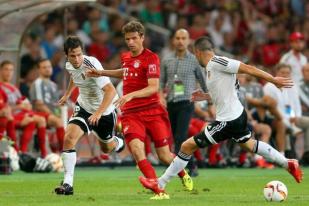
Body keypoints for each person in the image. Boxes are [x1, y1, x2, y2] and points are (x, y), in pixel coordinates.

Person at [139, 36, 303, 198]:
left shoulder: (218, 62)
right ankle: (287, 163)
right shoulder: (211, 68)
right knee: (249, 145)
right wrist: (204, 96)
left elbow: (247, 68)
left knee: (186, 146)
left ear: (198, 52)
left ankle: (159, 184)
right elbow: (224, 93)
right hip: (235, 116)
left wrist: (273, 79)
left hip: (229, 120)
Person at [86, 21, 193, 200]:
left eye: (134, 38)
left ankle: (183, 174)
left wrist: (130, 95)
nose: (130, 42)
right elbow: (125, 72)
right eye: (127, 39)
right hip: (131, 114)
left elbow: (153, 87)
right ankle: (159, 190)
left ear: (142, 38)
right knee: (136, 150)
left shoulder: (151, 58)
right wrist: (102, 73)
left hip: (153, 111)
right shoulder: (126, 57)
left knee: (164, 156)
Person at [54, 36, 124, 195]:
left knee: (106, 148)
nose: (77, 59)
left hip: (104, 111)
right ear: (67, 55)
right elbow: (75, 77)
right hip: (84, 108)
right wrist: (67, 94)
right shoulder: (68, 65)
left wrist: (99, 113)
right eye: (73, 56)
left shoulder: (91, 65)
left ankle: (119, 142)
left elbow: (111, 91)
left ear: (82, 52)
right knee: (69, 137)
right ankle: (67, 183)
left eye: (79, 54)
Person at [160, 29, 207, 176]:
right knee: (176, 136)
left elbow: (203, 82)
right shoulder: (166, 60)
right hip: (171, 102)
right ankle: (189, 165)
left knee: (180, 135)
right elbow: (161, 82)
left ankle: (187, 167)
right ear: (173, 40)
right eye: (178, 38)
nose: (180, 41)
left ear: (188, 41)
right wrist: (161, 96)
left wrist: (209, 101)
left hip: (187, 102)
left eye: (183, 38)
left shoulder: (194, 60)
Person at [0, 60, 47, 157]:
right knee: (8, 119)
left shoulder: (14, 87)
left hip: (18, 115)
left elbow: (21, 101)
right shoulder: (1, 87)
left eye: (11, 70)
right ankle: (14, 152)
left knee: (36, 120)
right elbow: (4, 110)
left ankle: (24, 153)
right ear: (1, 71)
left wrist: (26, 106)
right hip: (10, 117)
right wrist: (20, 107)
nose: (9, 72)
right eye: (6, 69)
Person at [263, 63, 309, 159]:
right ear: (276, 73)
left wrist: (296, 116)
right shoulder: (269, 86)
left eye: (287, 73)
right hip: (274, 118)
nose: (285, 75)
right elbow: (274, 109)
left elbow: (296, 104)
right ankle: (284, 154)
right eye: (282, 72)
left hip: (291, 117)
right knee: (283, 124)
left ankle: (307, 153)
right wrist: (289, 120)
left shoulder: (293, 86)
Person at [29, 59, 65, 152]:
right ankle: (63, 151)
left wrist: (58, 114)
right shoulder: (37, 83)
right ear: (39, 70)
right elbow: (39, 105)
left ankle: (58, 149)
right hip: (39, 114)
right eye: (44, 67)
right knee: (59, 122)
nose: (47, 69)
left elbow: (56, 104)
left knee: (70, 124)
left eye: (49, 67)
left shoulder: (54, 85)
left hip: (51, 115)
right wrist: (54, 116)